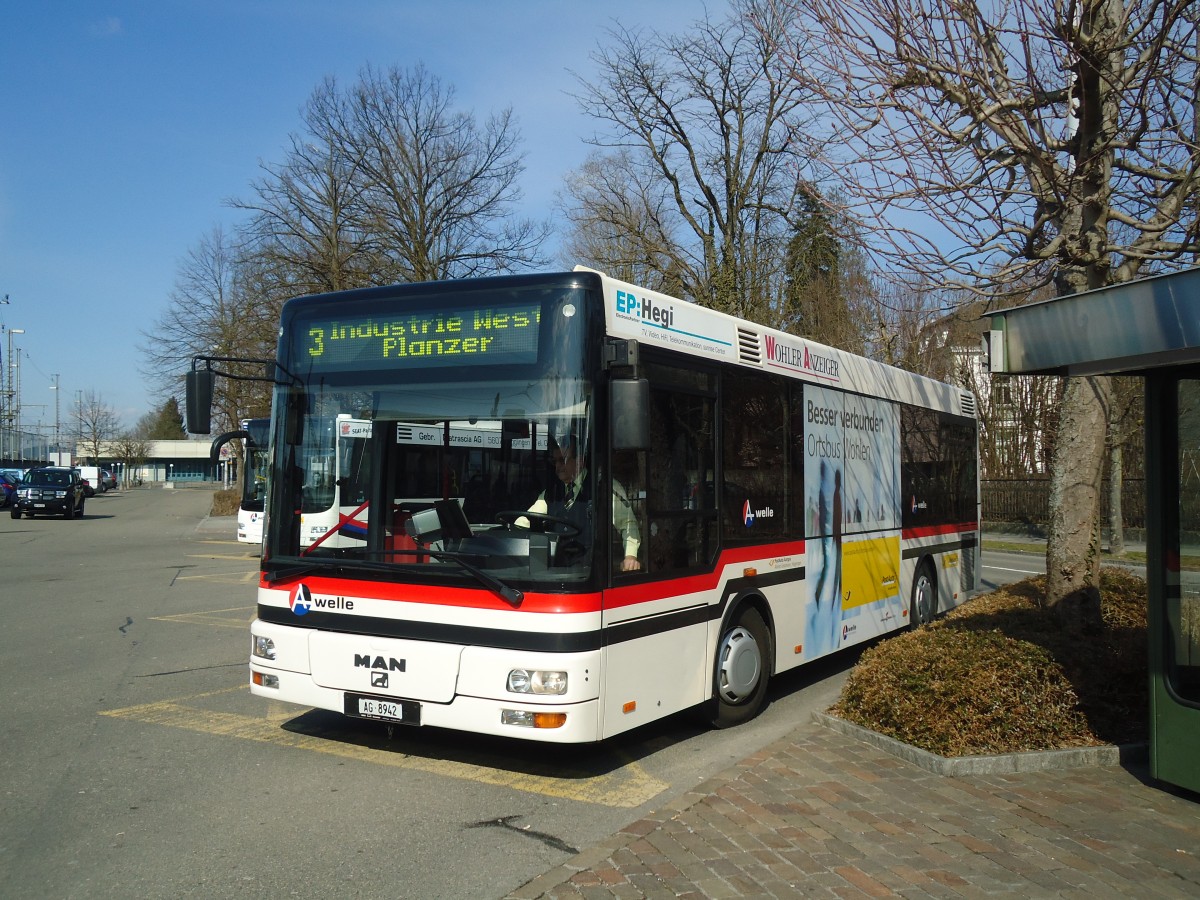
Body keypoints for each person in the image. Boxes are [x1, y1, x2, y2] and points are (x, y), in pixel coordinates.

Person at [524, 436, 641, 571]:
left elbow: (627, 524)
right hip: (557, 572)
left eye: (563, 460)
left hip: (591, 574)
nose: (557, 467)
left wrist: (630, 557)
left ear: (580, 461)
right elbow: (529, 518)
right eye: (555, 461)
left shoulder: (605, 488)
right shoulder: (551, 492)